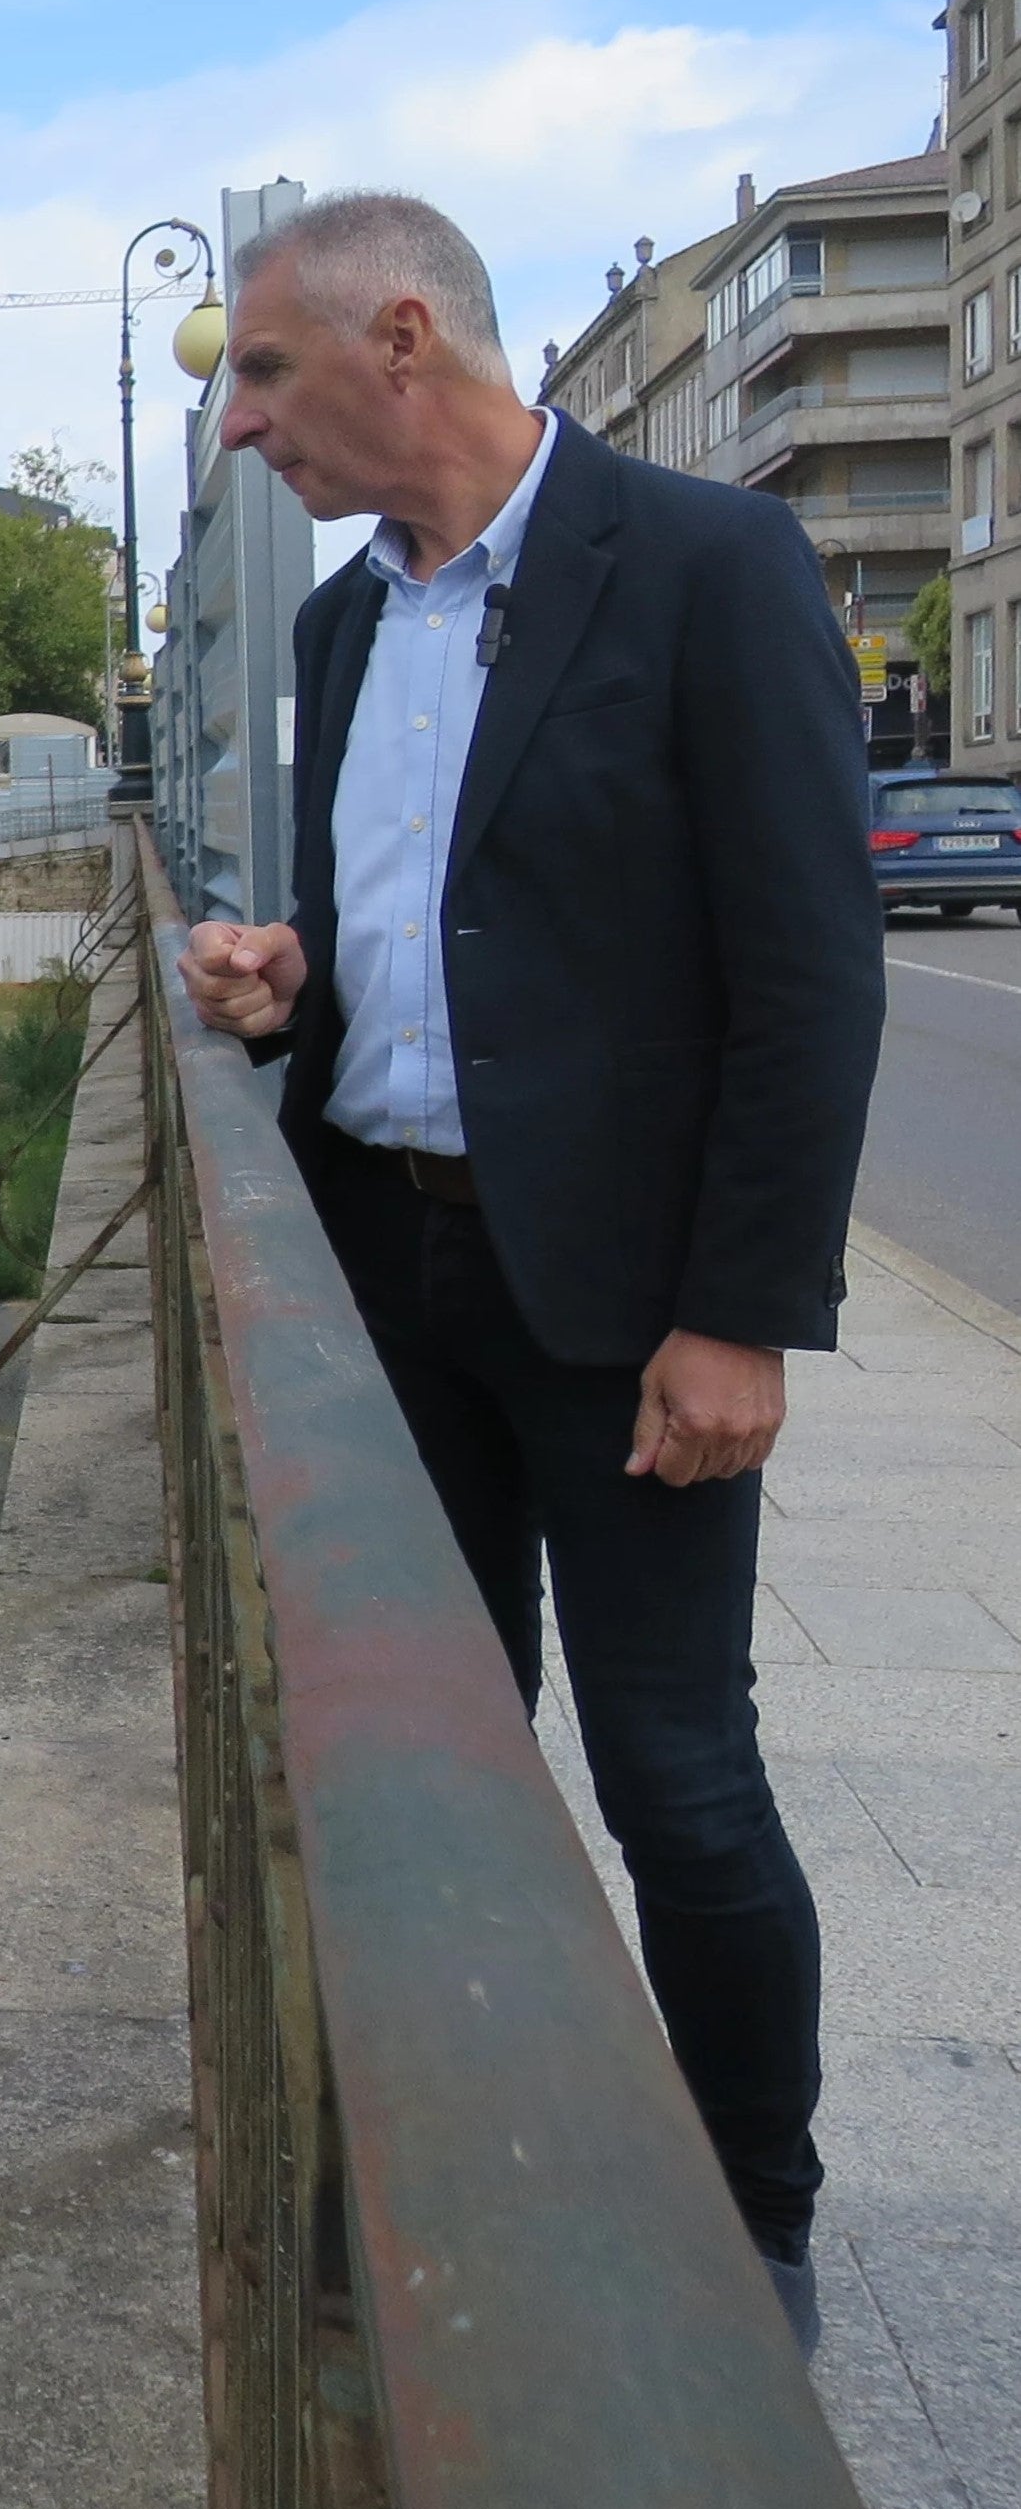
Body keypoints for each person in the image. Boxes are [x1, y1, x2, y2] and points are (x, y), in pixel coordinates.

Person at [175, 191, 885, 2356]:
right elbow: (435, 935)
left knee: (676, 1777)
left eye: (263, 374)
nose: (230, 430)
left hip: (625, 1314)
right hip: (388, 1280)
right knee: (424, 1770)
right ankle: (451, 2176)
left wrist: (738, 1313)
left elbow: (802, 975)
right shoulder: (337, 631)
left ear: (403, 339)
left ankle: (752, 2224)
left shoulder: (698, 566)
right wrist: (283, 984)